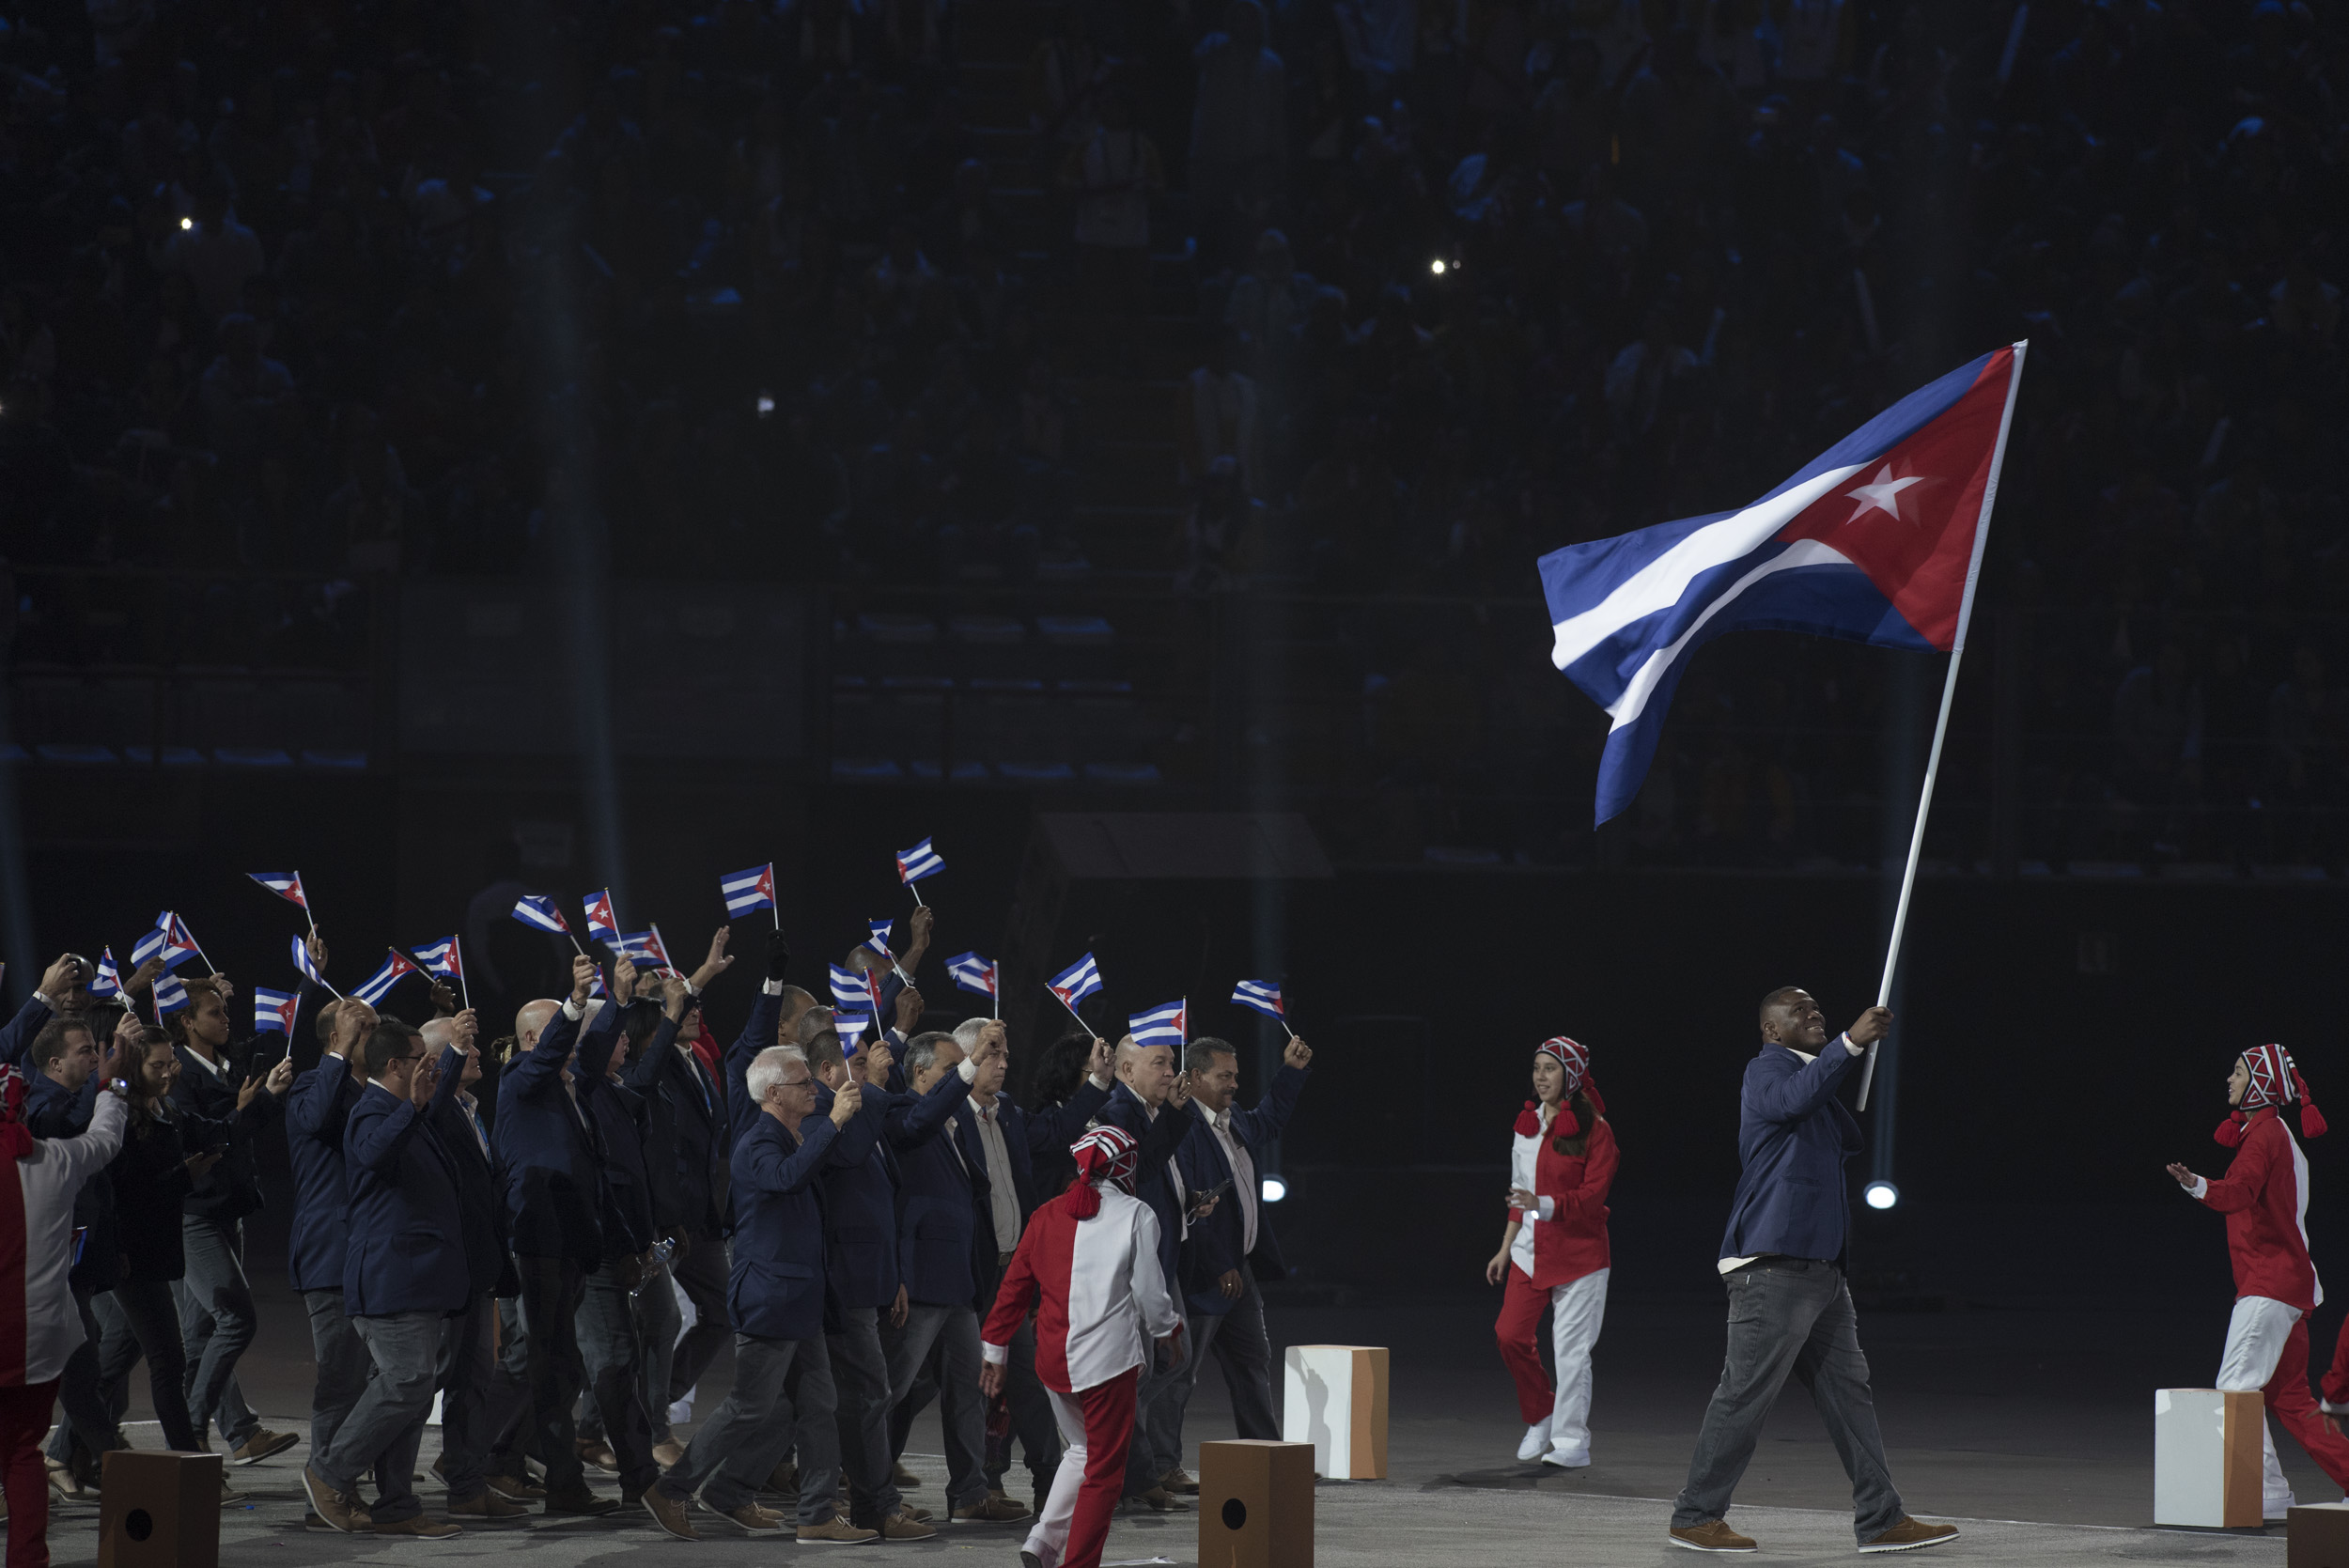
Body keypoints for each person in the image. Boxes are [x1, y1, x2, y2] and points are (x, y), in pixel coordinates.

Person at [1668, 988, 1955, 1555]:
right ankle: (1695, 1516)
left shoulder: (1809, 1082)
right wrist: (1848, 1045)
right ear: (1772, 1030)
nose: (1814, 1013)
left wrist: (1843, 1063)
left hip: (1821, 1270)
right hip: (1772, 1264)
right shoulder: (1765, 1071)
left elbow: (1848, 1136)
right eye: (1799, 1010)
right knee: (1745, 1393)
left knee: (1851, 1396)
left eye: (1817, 1007)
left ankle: (1880, 1518)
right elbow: (1791, 1101)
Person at [644, 1045, 877, 1545]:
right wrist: (834, 1121)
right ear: (774, 1093)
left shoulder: (792, 1137)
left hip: (800, 1300)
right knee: (750, 1405)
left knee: (815, 1405)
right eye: (803, 1084)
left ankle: (810, 1513)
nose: (814, 1089)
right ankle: (673, 1489)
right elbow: (785, 1181)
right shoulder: (758, 1143)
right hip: (772, 1297)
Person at [982, 1126, 1183, 1568]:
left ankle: (1042, 1542)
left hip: (1054, 1362)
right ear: (1123, 1166)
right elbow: (1151, 1295)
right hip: (1108, 1365)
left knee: (1081, 1450)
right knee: (1104, 1474)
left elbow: (1013, 1288)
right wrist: (1169, 1328)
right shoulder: (1136, 1213)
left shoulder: (1046, 1214)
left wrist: (994, 1350)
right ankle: (1078, 1563)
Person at [2165, 1044, 2349, 1519]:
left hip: (2269, 1286)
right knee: (2293, 1401)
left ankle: (2266, 1494)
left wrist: (2198, 1185)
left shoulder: (2264, 1135)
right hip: (2286, 1285)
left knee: (2234, 1390)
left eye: (2239, 1071)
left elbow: (2241, 1191)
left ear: (2260, 1084)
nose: (2229, 1079)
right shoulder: (2278, 1134)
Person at [963, 1019, 1114, 1512]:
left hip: (1019, 1270)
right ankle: (976, 1485)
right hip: (980, 1272)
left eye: (1006, 1054)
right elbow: (1055, 1137)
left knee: (1026, 1381)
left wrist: (1100, 1087)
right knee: (952, 1382)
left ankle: (1051, 1486)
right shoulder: (959, 1116)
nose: (1005, 1063)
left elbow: (1057, 1136)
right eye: (993, 1054)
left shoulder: (1007, 1113)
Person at [494, 955, 626, 1517]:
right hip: (538, 1237)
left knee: (556, 1363)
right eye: (562, 1033)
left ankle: (494, 1458)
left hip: (571, 1240)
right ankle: (561, 1486)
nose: (574, 1043)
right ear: (532, 1038)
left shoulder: (567, 1086)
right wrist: (574, 999)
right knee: (552, 1365)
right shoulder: (520, 1078)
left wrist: (617, 999)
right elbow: (554, 1054)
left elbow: (589, 1055)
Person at [880, 1029, 1029, 1524]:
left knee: (968, 1392)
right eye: (949, 1070)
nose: (958, 1081)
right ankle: (867, 1492)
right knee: (890, 1392)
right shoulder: (901, 1112)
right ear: (920, 1073)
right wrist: (970, 1070)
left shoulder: (950, 1125)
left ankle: (968, 1495)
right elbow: (919, 1123)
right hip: (919, 1284)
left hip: (958, 1287)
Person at [802, 1028, 939, 1540]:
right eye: (857, 1064)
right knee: (868, 1394)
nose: (867, 1071)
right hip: (844, 1283)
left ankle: (730, 1487)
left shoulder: (861, 1116)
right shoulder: (821, 1114)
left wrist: (896, 1279)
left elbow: (882, 1205)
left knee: (840, 1397)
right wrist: (877, 1085)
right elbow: (847, 1158)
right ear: (828, 1072)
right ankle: (876, 1506)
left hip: (873, 1280)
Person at [0, 1049, 128, 1568]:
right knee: (23, 1454)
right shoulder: (55, 1159)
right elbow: (107, 1138)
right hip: (38, 1340)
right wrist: (109, 1084)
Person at [165, 972, 298, 1465]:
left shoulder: (223, 1063)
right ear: (187, 1021)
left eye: (225, 1010)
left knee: (201, 1335)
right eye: (214, 1012)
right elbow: (207, 1138)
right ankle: (192, 1432)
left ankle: (239, 1433)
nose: (226, 1019)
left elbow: (244, 1123)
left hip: (228, 1212)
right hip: (193, 1216)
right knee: (236, 1320)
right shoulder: (176, 1071)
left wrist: (306, 978)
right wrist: (252, 1106)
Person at [1168, 1030, 1313, 1479]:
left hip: (1240, 1272)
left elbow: (1268, 1120)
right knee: (1179, 1375)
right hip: (1208, 1277)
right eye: (1224, 1076)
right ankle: (1162, 1467)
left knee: (1253, 1364)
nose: (1234, 1084)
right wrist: (1218, 1264)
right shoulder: (1185, 1126)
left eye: (1235, 1075)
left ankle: (1269, 1459)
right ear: (1195, 1077)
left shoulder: (1230, 1121)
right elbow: (1192, 1205)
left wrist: (1291, 1071)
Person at [93, 1024, 222, 1468]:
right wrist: (186, 1177)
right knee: (169, 1361)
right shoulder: (123, 1117)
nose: (168, 1073)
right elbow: (125, 1195)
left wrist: (258, 1103)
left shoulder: (163, 1107)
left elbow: (215, 1129)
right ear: (133, 1066)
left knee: (115, 1362)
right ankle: (189, 1464)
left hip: (152, 1252)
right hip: (131, 1256)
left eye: (171, 1063)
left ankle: (63, 1453)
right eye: (157, 1065)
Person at [416, 1011, 528, 1521]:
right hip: (447, 1273)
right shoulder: (433, 1110)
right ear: (437, 1063)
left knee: (475, 1378)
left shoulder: (471, 1108)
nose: (479, 1051)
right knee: (419, 1382)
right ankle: (352, 1472)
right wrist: (454, 1046)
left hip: (479, 1270)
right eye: (465, 1048)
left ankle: (465, 1486)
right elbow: (431, 1113)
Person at [1487, 1036, 1614, 1467]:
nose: (1541, 1076)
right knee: (1510, 1335)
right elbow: (1518, 1195)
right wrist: (1505, 1247)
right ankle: (1541, 1412)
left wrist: (1541, 1205)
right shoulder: (1526, 1125)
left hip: (1580, 1256)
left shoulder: (1596, 1130)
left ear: (1572, 1076)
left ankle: (1571, 1443)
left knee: (1571, 1352)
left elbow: (1593, 1197)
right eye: (1537, 1068)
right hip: (1529, 1250)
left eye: (1551, 1068)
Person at [1094, 1034, 1205, 1509]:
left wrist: (1189, 1204)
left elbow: (1162, 1180)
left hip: (1166, 1257)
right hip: (1134, 1263)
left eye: (1171, 1062)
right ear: (1125, 1070)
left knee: (1176, 1363)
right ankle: (1131, 1477)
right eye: (1158, 1062)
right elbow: (1135, 1171)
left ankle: (1149, 1466)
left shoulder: (1159, 1114)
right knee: (1140, 1373)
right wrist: (1178, 1117)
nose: (1169, 1071)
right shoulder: (1118, 1112)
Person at [30, 1010, 135, 1496]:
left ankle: (114, 1467)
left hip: (67, 1278)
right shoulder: (49, 1127)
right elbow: (102, 1138)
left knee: (84, 1375)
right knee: (78, 1376)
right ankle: (122, 1471)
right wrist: (109, 1083)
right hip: (43, 1288)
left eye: (97, 1050)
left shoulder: (64, 1120)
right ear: (53, 1062)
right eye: (85, 1052)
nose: (95, 1059)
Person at [285, 992, 378, 1519]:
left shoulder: (376, 1092)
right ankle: (326, 1483)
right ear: (334, 1037)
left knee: (383, 1373)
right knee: (341, 1374)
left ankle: (348, 1471)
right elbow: (319, 1121)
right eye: (362, 1029)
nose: (374, 1036)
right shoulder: (309, 1086)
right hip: (332, 1251)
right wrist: (340, 1053)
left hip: (374, 1250)